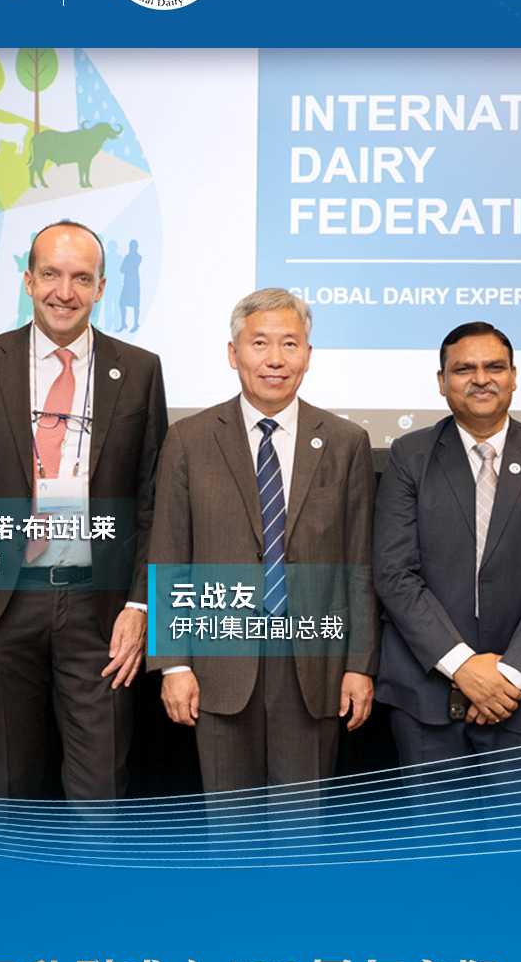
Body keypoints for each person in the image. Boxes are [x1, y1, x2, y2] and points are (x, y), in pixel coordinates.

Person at [0, 220, 168, 798]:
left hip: (99, 610)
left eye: (81, 278)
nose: (65, 292)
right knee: (7, 789)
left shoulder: (139, 370)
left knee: (100, 791)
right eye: (52, 275)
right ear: (28, 280)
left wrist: (140, 603)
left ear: (101, 287)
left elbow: (152, 502)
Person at [151, 288, 378, 791]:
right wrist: (174, 664)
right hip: (218, 665)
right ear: (233, 354)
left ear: (308, 355)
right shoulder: (189, 439)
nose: (275, 359)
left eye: (289, 344)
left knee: (301, 827)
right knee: (231, 827)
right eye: (259, 343)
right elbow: (170, 555)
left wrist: (359, 666)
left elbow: (359, 566)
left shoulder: (345, 442)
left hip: (314, 669)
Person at [373, 321, 521, 766]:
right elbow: (395, 573)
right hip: (428, 700)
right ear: (442, 382)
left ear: (513, 377)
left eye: (494, 367)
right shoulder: (410, 456)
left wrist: (508, 675)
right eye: (463, 369)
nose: (480, 379)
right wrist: (462, 666)